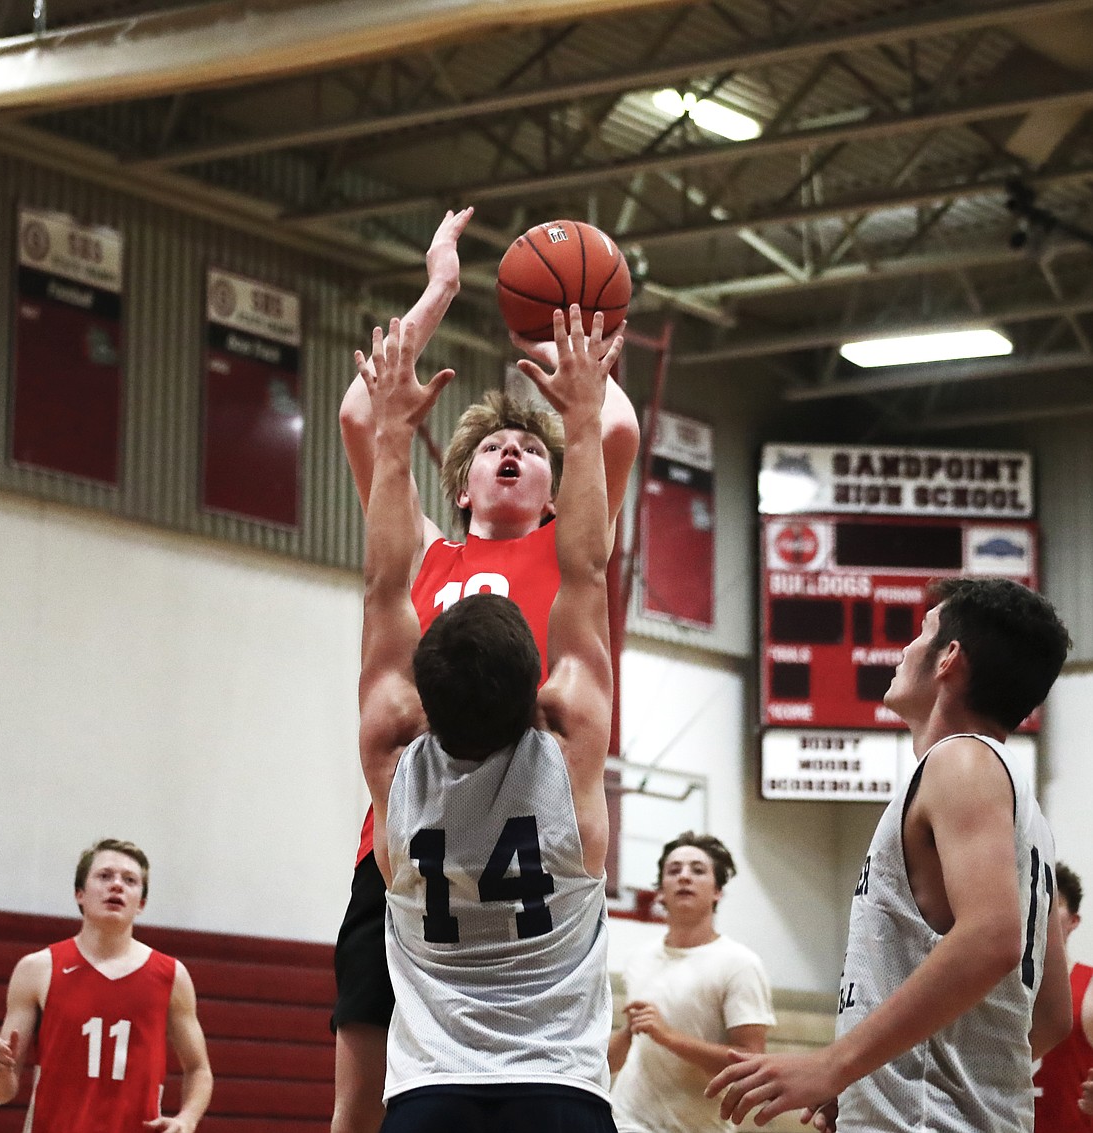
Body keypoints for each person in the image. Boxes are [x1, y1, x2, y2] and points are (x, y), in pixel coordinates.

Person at [333, 208, 639, 1133]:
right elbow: (362, 412)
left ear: (557, 489)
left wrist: (568, 332)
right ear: (459, 484)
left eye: (536, 450)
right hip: (412, 837)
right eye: (495, 450)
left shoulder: (571, 550)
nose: (515, 452)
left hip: (529, 815)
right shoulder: (426, 553)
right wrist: (439, 294)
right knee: (360, 1094)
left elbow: (610, 432)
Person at [708, 577, 1074, 1132]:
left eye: (922, 633)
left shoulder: (961, 763)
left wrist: (837, 1065)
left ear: (949, 658)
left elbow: (992, 938)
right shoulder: (1027, 816)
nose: (904, 650)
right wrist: (875, 1073)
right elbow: (1049, 1016)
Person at [0, 838, 213, 1133]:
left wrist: (187, 1118)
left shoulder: (171, 975)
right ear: (80, 893)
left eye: (130, 880)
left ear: (141, 903)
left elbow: (199, 1069)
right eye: (104, 876)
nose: (117, 885)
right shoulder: (37, 969)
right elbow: (0, 1093)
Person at [609, 832, 775, 1133]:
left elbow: (751, 1063)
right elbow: (629, 1044)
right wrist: (628, 1033)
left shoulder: (740, 964)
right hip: (626, 1120)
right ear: (661, 892)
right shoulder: (638, 959)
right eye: (674, 870)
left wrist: (668, 1036)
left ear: (717, 892)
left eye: (697, 870)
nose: (684, 876)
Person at [1034, 861, 1093, 1130]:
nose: (1039, 911)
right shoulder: (993, 985)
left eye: (1052, 903)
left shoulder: (1089, 985)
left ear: (1073, 920)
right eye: (1034, 900)